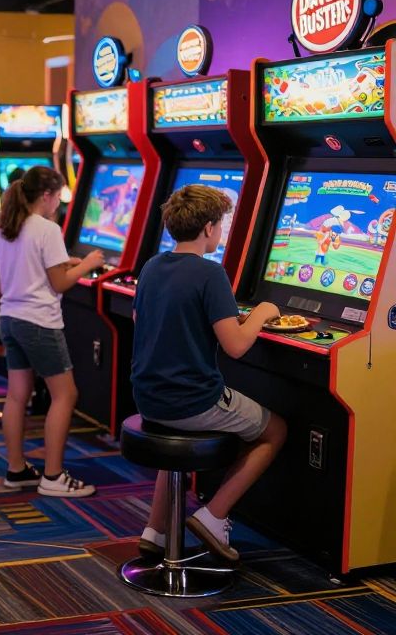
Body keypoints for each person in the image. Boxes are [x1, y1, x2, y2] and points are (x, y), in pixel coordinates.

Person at [132, 185, 287, 563]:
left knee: (176, 433)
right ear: (207, 229)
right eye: (220, 225)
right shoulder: (210, 273)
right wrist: (264, 312)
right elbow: (235, 346)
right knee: (275, 430)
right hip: (192, 400)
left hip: (150, 398)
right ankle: (214, 516)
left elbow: (143, 318)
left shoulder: (152, 265)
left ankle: (155, 530)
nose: (220, 232)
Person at [0, 166, 105, 497]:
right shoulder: (47, 229)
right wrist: (89, 263)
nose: (58, 203)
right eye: (58, 196)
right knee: (65, 394)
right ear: (46, 196)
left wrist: (63, 262)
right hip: (39, 321)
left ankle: (16, 470)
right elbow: (59, 283)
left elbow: (5, 282)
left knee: (16, 395)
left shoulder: (5, 228)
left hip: (10, 317)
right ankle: (54, 476)